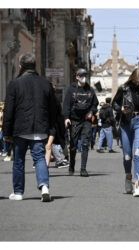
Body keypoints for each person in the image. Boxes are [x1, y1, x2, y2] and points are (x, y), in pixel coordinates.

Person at [2, 53, 57, 201]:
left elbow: (8, 110)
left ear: (20, 66)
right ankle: (44, 186)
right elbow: (53, 109)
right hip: (40, 128)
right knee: (39, 158)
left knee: (18, 160)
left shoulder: (15, 83)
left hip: (20, 129)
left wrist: (6, 132)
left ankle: (18, 192)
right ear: (35, 65)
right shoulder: (46, 84)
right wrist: (52, 129)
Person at [112, 68, 139, 197]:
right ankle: (128, 177)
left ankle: (137, 185)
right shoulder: (124, 89)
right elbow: (114, 104)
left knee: (137, 153)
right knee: (127, 155)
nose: (138, 83)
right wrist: (121, 109)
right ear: (132, 78)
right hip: (126, 122)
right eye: (136, 80)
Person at [62, 68, 99, 177]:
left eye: (85, 75)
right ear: (77, 77)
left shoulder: (90, 90)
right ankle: (72, 165)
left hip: (86, 120)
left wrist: (92, 112)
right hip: (74, 120)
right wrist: (66, 118)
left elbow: (94, 104)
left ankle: (83, 169)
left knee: (85, 144)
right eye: (82, 75)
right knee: (73, 145)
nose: (84, 77)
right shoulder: (71, 89)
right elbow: (66, 104)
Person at [44, 82, 69, 169]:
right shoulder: (53, 99)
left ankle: (40, 162)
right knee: (52, 142)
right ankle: (59, 160)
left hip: (50, 123)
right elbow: (58, 113)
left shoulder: (47, 98)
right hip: (53, 124)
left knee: (50, 142)